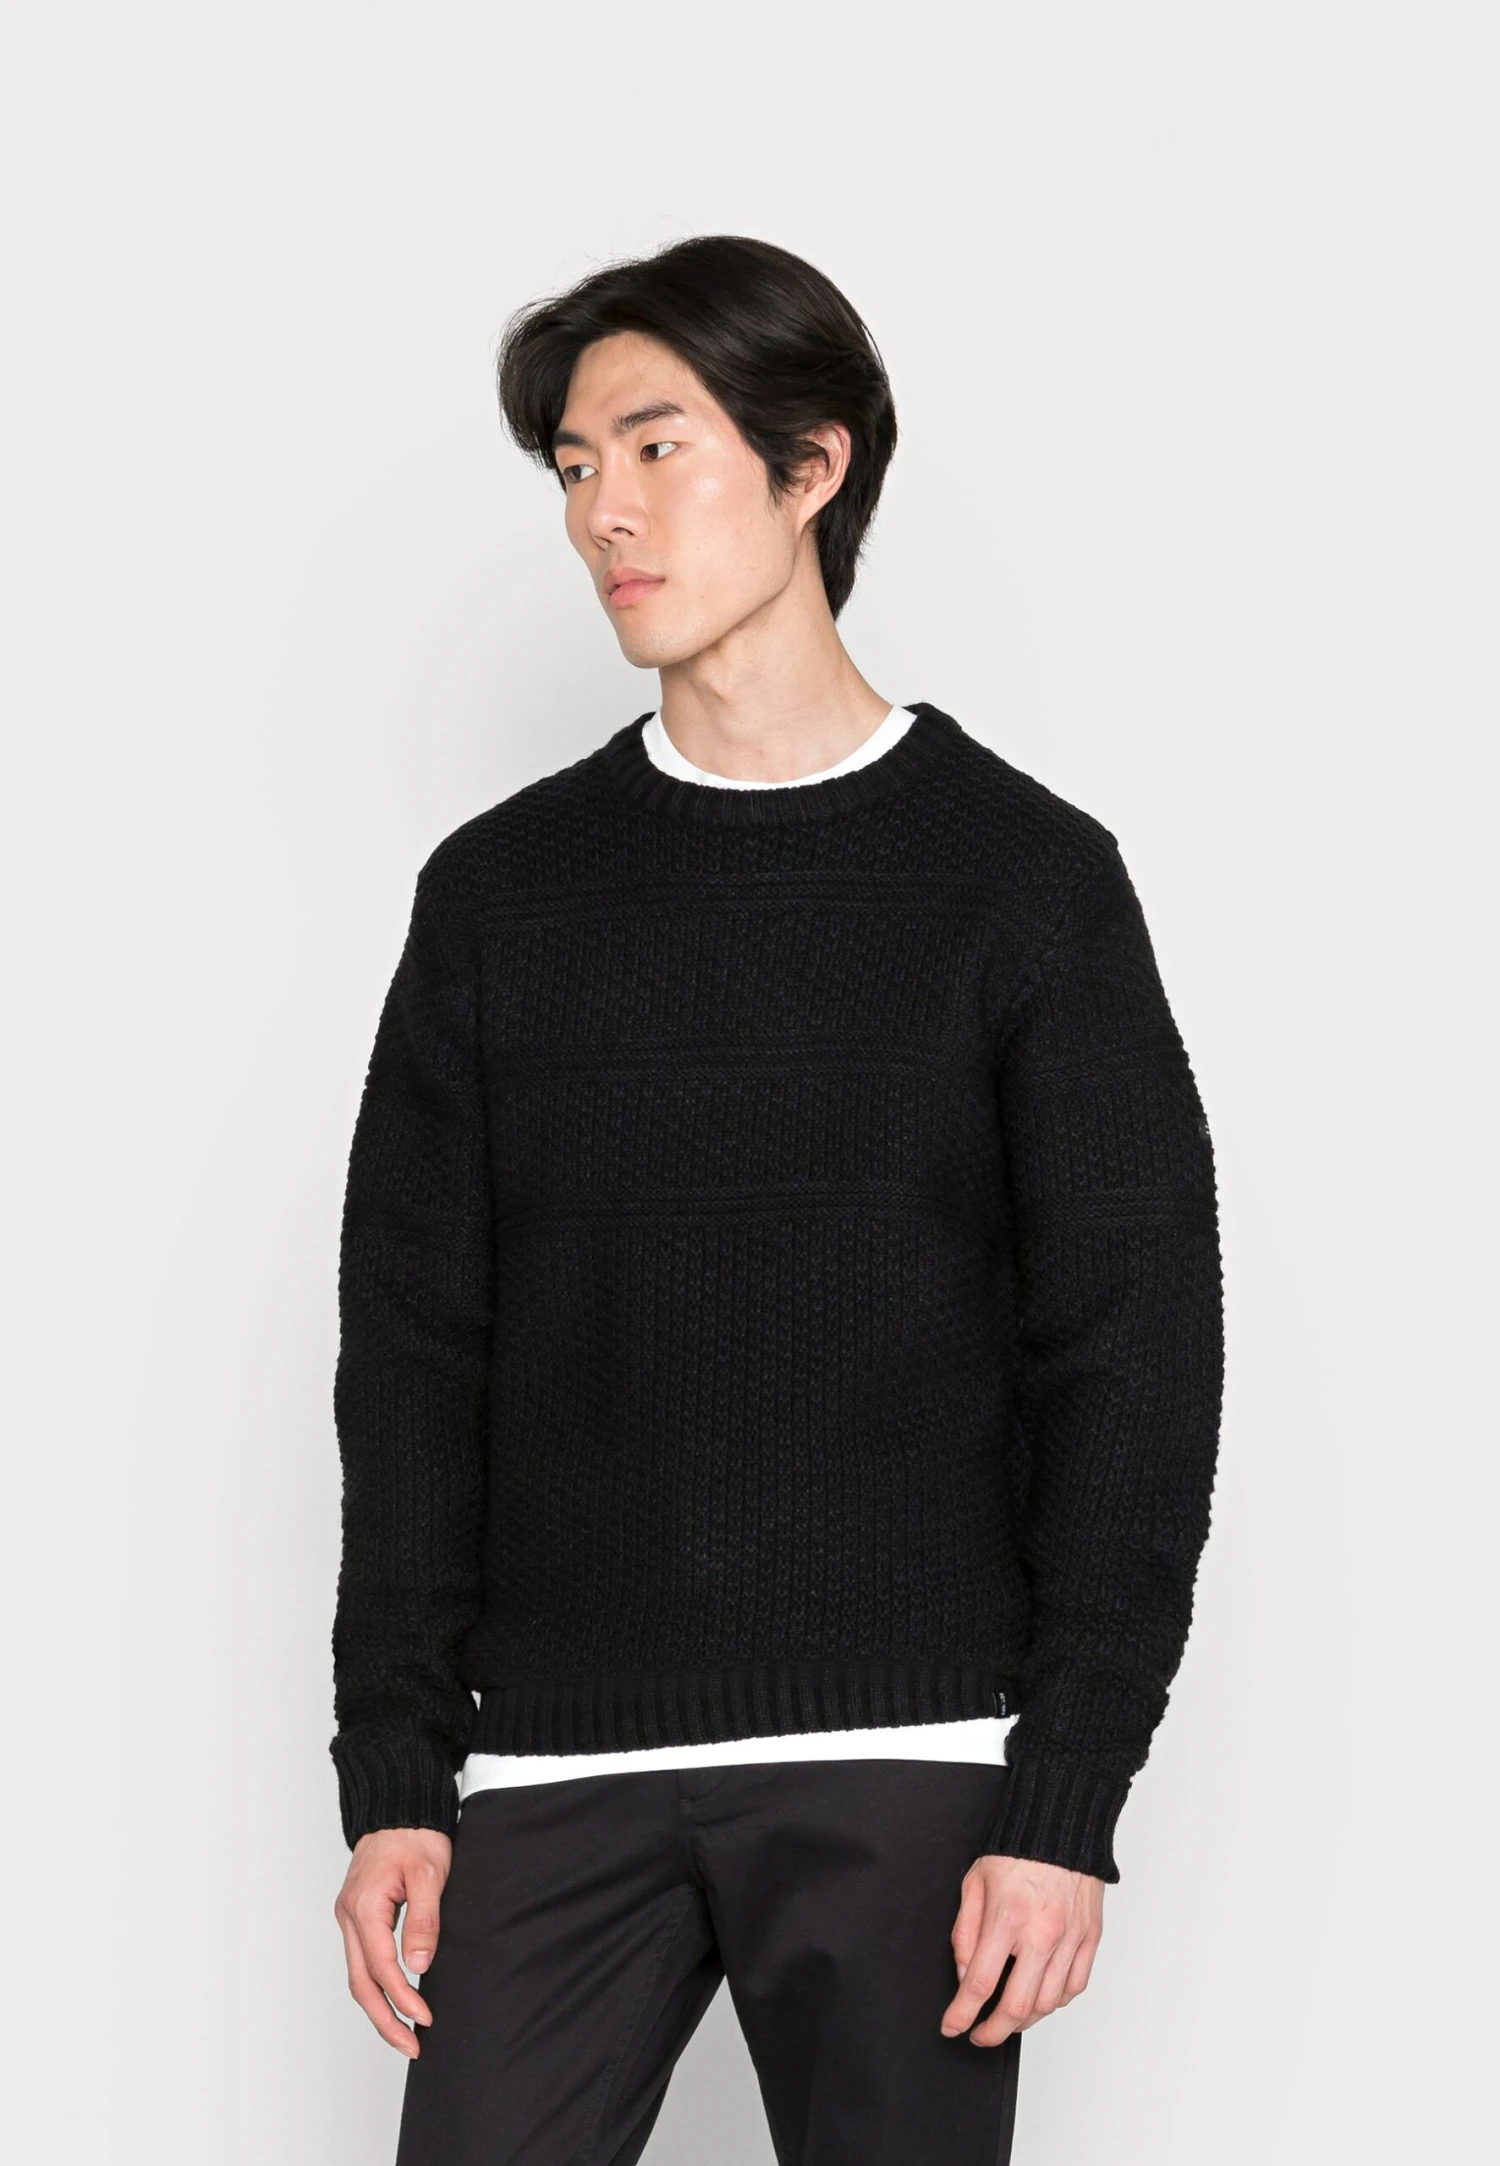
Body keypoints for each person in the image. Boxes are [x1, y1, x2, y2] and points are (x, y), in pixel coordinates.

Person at [328, 233, 1224, 2166]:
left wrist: (1068, 1792)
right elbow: (411, 1357)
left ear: (815, 464)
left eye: (657, 449)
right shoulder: (500, 896)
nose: (604, 513)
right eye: (575, 467)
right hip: (553, 1758)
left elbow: (1132, 1359)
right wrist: (397, 1766)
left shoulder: (1023, 882)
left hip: (910, 1756)